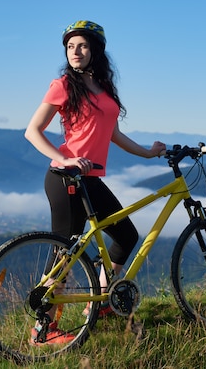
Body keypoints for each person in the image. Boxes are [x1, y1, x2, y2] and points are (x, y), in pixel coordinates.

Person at [24, 20, 166, 344]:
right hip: (65, 178)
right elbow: (32, 131)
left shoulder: (102, 88)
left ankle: (100, 301)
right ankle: (42, 329)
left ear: (96, 51)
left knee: (126, 235)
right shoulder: (62, 85)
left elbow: (111, 133)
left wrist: (147, 153)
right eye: (71, 46)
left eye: (82, 46)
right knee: (65, 253)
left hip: (90, 178)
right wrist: (65, 158)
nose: (75, 51)